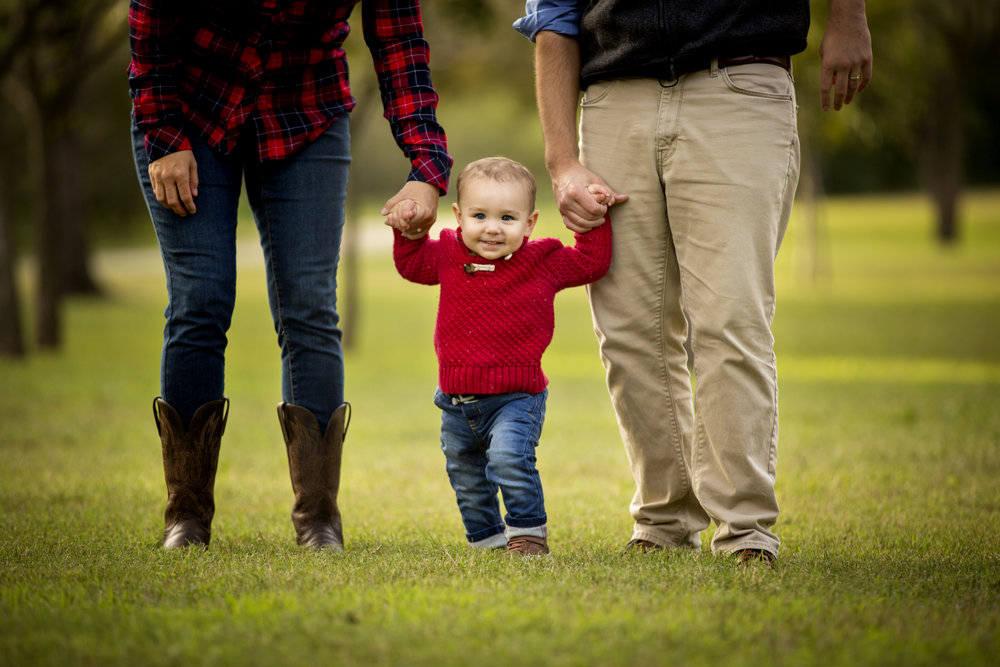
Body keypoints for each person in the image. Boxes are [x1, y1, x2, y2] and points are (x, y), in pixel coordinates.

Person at [514, 0, 872, 563]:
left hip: (739, 81)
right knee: (630, 331)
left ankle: (746, 529)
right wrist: (561, 160)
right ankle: (664, 520)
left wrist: (849, 15)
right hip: (612, 95)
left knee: (729, 320)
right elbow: (553, 12)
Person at [129, 0, 450, 550]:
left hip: (306, 110)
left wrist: (426, 165)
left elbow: (399, 42)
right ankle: (186, 517)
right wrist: (163, 134)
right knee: (199, 299)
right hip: (192, 108)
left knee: (310, 309)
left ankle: (319, 520)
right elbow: (151, 18)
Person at [388, 157, 612, 555]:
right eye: (479, 215)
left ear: (529, 223)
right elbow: (412, 265)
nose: (492, 228)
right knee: (467, 475)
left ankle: (527, 534)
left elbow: (591, 262)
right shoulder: (448, 256)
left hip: (516, 398)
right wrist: (409, 233)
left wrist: (593, 221)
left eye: (508, 218)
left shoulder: (541, 263)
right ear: (458, 216)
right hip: (456, 403)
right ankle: (487, 539)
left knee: (509, 458)